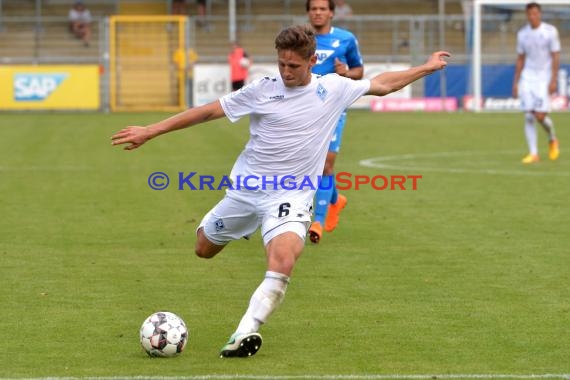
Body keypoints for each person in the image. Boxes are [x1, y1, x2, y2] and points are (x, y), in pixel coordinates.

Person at [111, 24, 449, 358]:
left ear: (312, 60)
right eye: (281, 64)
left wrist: (427, 67)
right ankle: (231, 231)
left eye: (294, 66)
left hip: (291, 195)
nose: (286, 72)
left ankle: (244, 332)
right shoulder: (262, 89)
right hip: (246, 191)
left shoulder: (333, 88)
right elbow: (210, 110)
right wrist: (152, 130)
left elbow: (383, 84)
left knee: (284, 259)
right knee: (203, 248)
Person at [306, 0, 363, 244]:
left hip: (334, 109)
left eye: (322, 9)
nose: (318, 13)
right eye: (313, 9)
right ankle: (335, 200)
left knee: (326, 165)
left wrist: (346, 73)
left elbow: (359, 70)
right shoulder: (301, 39)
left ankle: (317, 220)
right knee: (310, 163)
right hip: (305, 110)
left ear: (331, 12)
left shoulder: (346, 39)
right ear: (308, 13)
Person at [513, 2, 560, 164]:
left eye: (535, 13)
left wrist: (553, 79)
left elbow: (555, 55)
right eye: (530, 14)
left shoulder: (550, 32)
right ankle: (533, 153)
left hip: (543, 77)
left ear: (539, 14)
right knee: (528, 115)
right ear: (527, 15)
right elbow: (520, 58)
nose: (532, 16)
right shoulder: (522, 34)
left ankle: (552, 139)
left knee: (540, 116)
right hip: (527, 76)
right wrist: (516, 81)